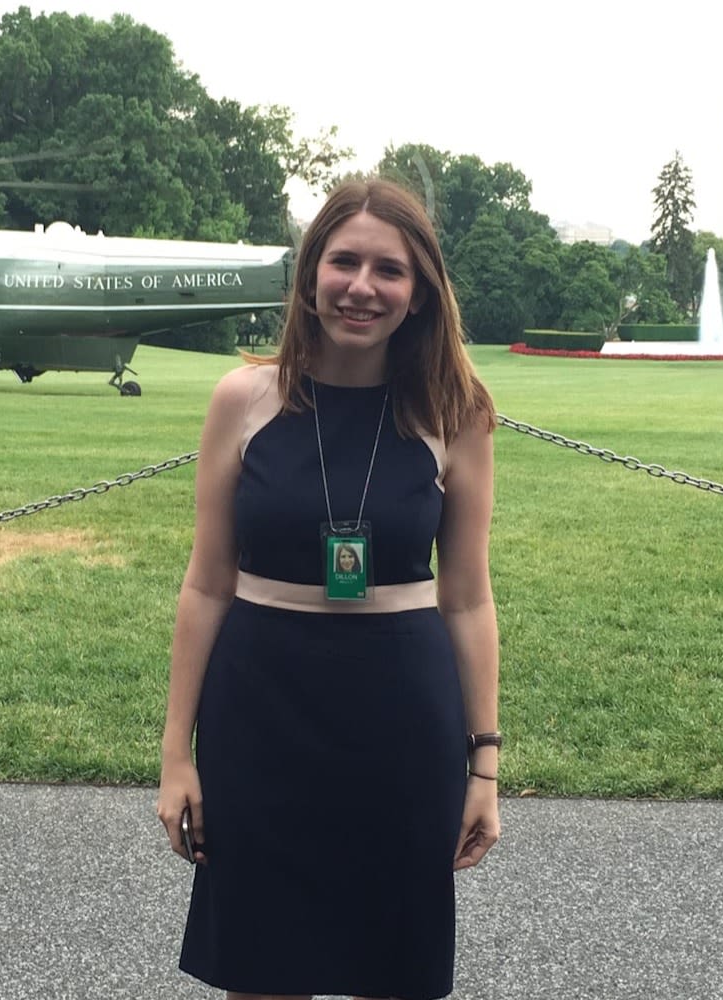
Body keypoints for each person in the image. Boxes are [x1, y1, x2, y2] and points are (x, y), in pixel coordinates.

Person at [156, 177, 502, 1000]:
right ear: (311, 275)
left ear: (419, 293)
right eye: (343, 261)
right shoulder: (243, 400)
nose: (362, 287)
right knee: (263, 971)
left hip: (402, 721)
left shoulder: (456, 413)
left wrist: (484, 768)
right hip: (260, 713)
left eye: (390, 270)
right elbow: (206, 585)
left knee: (396, 973)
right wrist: (176, 755)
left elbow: (468, 598)